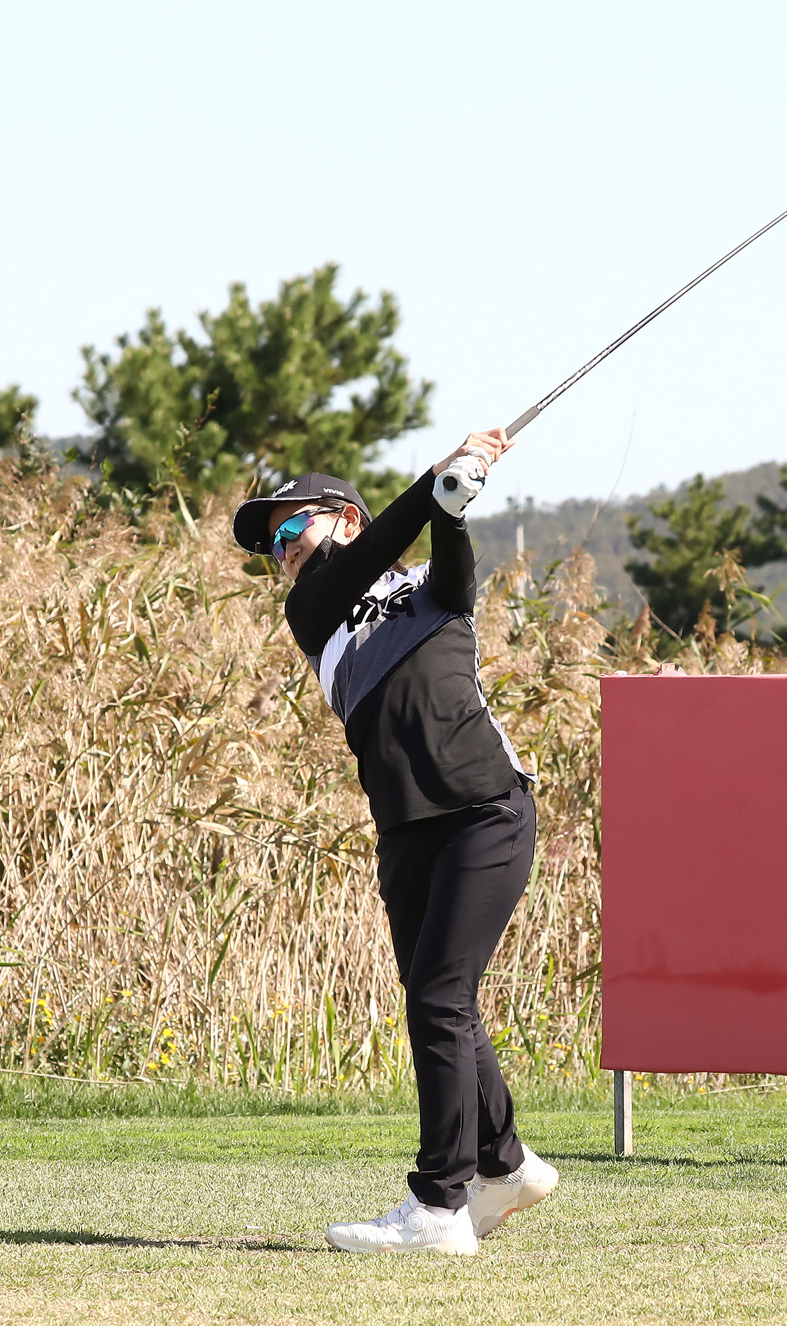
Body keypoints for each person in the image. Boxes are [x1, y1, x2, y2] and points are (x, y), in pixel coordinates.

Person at [232, 428, 557, 1256]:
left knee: (438, 997)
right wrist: (437, 478)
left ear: (342, 516)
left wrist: (450, 503)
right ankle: (506, 1164)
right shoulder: (314, 613)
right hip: (406, 832)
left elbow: (451, 565)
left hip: (485, 809)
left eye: (288, 530)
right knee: (439, 996)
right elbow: (368, 551)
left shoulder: (425, 587)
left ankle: (440, 1207)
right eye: (269, 546)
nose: (279, 552)